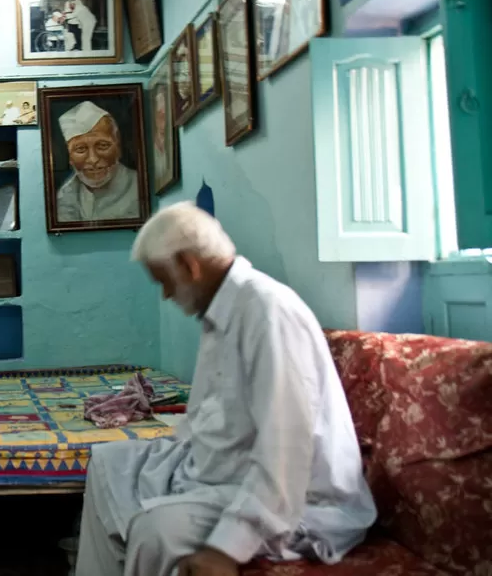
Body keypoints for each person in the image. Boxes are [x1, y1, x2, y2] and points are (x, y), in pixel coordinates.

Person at [76, 202, 376, 576]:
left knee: (157, 531)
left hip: (299, 498)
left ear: (189, 265)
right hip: (223, 470)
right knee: (109, 463)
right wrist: (178, 459)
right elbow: (213, 416)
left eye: (164, 281)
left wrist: (227, 548)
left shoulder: (268, 311)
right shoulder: (224, 312)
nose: (166, 295)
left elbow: (286, 448)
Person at [55, 101, 139, 222]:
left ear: (118, 148)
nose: (93, 159)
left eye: (103, 146)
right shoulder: (65, 197)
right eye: (80, 149)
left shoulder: (137, 187)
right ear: (70, 157)